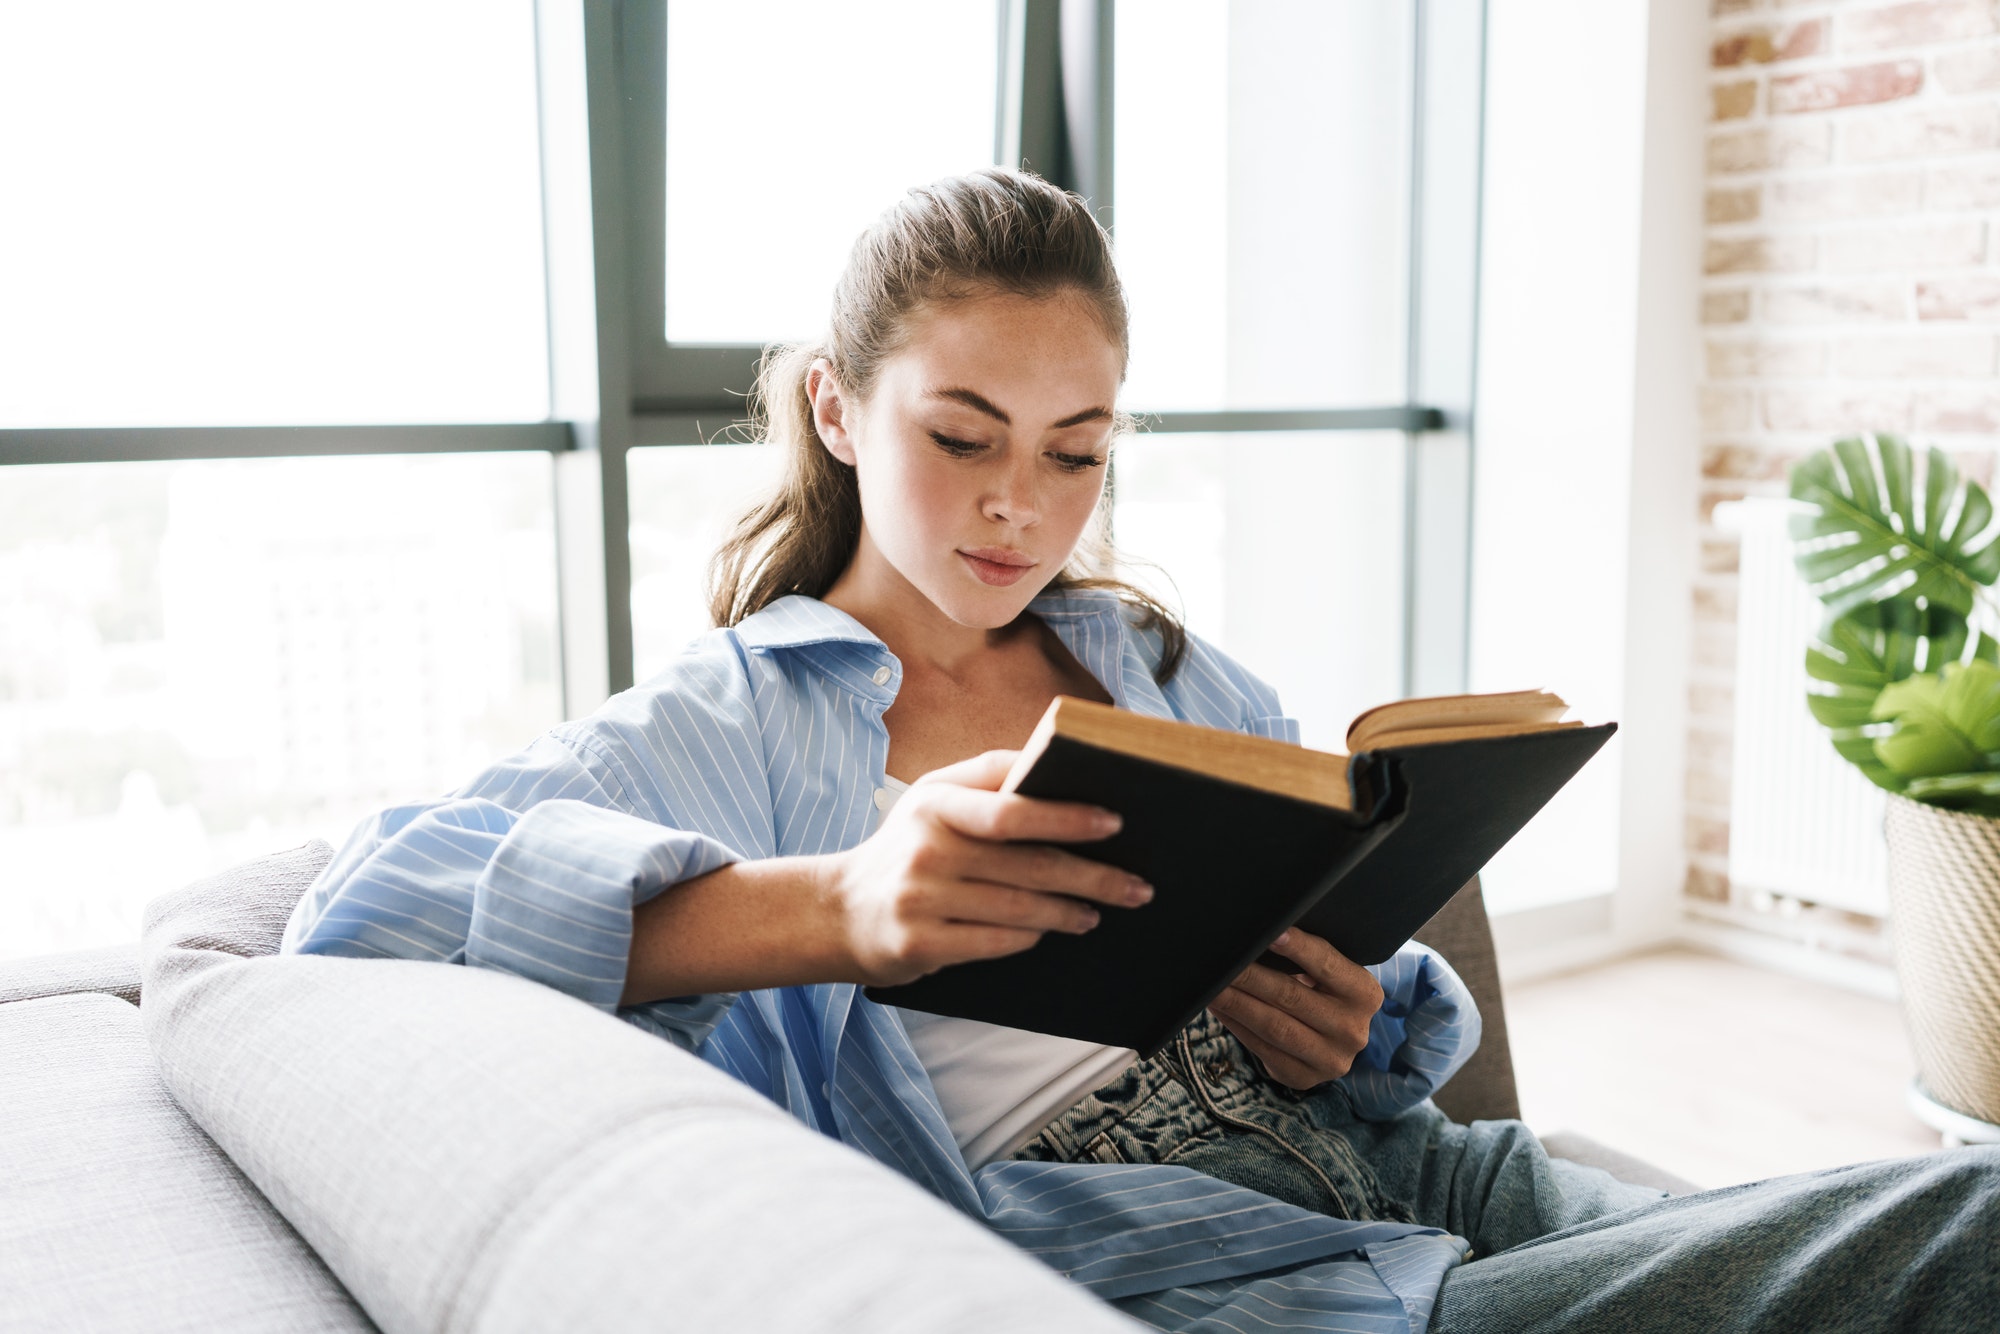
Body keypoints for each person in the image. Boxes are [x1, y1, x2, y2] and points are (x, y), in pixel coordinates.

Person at [284, 168, 2000, 1332]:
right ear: (834, 407)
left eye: (1078, 449)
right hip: (1250, 1279)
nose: (1019, 503)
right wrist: (837, 905)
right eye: (959, 436)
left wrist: (1353, 1018)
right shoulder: (725, 724)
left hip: (1427, 1173)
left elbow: (1371, 995)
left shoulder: (1160, 667)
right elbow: (357, 912)